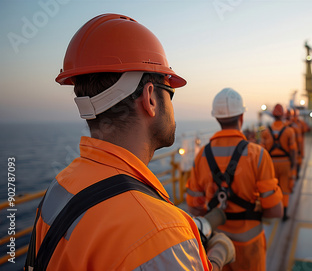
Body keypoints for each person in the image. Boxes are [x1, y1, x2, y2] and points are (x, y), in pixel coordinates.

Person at [25, 14, 234, 271]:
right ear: (150, 99)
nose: (173, 103)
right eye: (170, 92)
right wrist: (215, 258)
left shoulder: (60, 187)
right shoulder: (162, 233)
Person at [186, 88, 283, 271]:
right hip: (250, 245)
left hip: (215, 246)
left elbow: (193, 208)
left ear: (217, 118)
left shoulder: (202, 157)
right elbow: (275, 211)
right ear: (241, 117)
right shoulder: (258, 155)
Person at [260, 104, 297, 221]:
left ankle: (271, 211)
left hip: (270, 164)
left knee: (271, 187)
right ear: (282, 116)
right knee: (285, 188)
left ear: (273, 115)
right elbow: (293, 150)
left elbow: (262, 151)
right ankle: (284, 214)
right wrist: (293, 164)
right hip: (285, 163)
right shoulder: (289, 131)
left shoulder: (266, 132)